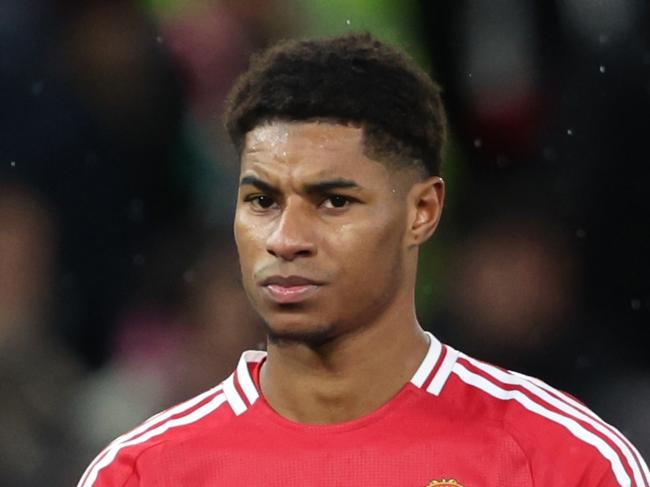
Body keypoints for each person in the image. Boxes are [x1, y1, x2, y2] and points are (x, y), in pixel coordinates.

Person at [77, 32, 648, 487]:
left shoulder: (564, 463)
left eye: (333, 201)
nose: (285, 238)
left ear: (422, 211)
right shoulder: (140, 474)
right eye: (261, 200)